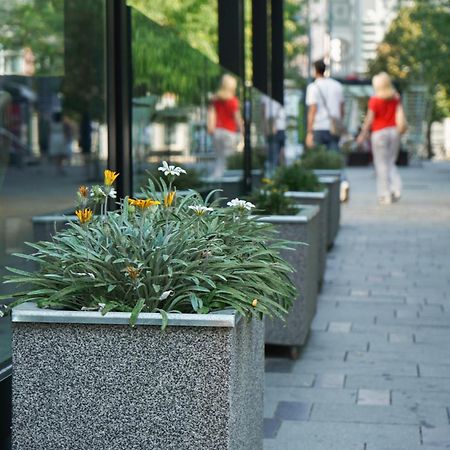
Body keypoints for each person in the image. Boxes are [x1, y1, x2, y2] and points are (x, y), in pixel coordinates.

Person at [357, 72, 406, 205]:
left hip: (379, 134)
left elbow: (369, 119)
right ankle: (396, 188)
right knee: (391, 162)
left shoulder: (375, 100)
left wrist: (362, 134)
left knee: (381, 164)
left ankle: (385, 195)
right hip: (394, 132)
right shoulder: (395, 98)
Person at [207, 74, 243, 178]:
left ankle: (215, 179)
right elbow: (237, 118)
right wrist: (242, 130)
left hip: (217, 132)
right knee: (227, 160)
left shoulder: (215, 99)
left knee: (219, 159)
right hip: (229, 133)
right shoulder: (233, 101)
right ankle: (223, 184)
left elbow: (211, 114)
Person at [305, 59, 345, 150]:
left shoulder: (313, 87)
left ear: (315, 70)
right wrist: (340, 123)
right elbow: (342, 109)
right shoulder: (337, 85)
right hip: (334, 127)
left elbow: (312, 110)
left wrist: (309, 132)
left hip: (318, 127)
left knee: (319, 159)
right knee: (333, 158)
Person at [261, 94, 286, 175]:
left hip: (274, 127)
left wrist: (265, 126)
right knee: (276, 155)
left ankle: (275, 175)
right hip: (277, 127)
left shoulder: (265, 95)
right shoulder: (266, 95)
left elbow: (263, 112)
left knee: (275, 155)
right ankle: (277, 175)